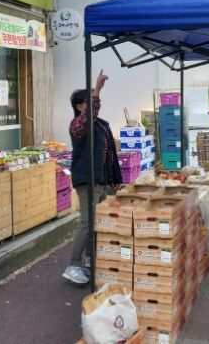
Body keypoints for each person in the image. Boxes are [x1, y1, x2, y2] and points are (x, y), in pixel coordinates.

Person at [62, 70, 122, 285]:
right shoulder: (77, 125)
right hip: (87, 180)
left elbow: (108, 153)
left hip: (99, 180)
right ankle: (73, 265)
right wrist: (97, 88)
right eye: (89, 102)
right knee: (86, 223)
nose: (95, 104)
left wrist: (114, 178)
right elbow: (90, 115)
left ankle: (90, 260)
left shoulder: (100, 125)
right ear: (80, 107)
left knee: (97, 223)